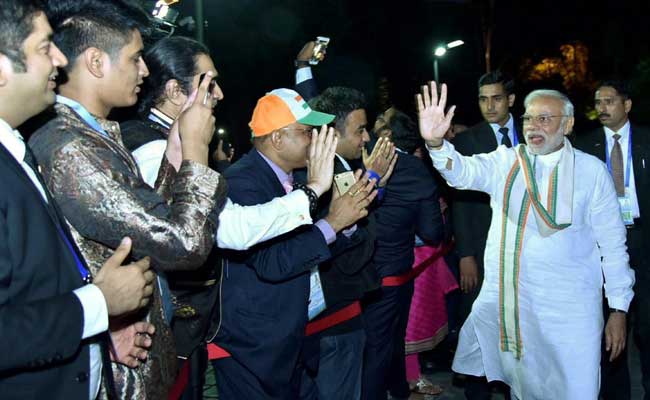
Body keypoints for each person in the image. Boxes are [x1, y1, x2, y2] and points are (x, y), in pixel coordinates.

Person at [122, 35, 346, 399]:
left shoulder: (177, 140)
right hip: (163, 330)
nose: (220, 95)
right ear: (177, 91)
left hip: (185, 328)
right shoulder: (151, 150)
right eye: (210, 83)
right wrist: (314, 193)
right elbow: (232, 229)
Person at [29, 1, 227, 398]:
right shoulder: (71, 146)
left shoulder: (94, 133)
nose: (145, 70)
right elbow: (183, 246)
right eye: (136, 58)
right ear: (97, 62)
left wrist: (173, 161)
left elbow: (148, 227)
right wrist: (195, 153)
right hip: (117, 379)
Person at [418, 82, 635, 399]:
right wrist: (437, 144)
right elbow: (462, 172)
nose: (534, 126)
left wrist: (618, 309)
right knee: (526, 389)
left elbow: (614, 247)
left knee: (579, 389)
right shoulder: (507, 162)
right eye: (528, 119)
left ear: (568, 124)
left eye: (545, 119)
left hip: (574, 314)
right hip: (521, 309)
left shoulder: (592, 172)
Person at [0, 1, 155, 398]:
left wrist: (99, 332)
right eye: (44, 47)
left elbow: (31, 291)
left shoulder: (15, 151)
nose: (59, 59)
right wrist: (98, 304)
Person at [212, 88, 377, 400]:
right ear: (277, 139)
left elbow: (311, 249)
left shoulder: (297, 178)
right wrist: (333, 223)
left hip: (291, 341)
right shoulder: (241, 183)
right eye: (306, 132)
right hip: (255, 350)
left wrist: (347, 225)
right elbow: (272, 262)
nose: (314, 140)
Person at [295, 87, 396, 400]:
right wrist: (372, 183)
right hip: (336, 319)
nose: (366, 139)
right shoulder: (334, 175)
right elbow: (351, 257)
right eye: (360, 130)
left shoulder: (317, 169)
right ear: (333, 134)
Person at [359, 107, 444, 400]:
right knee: (393, 339)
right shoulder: (420, 171)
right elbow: (433, 232)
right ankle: (398, 390)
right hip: (399, 271)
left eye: (379, 121)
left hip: (364, 271)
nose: (371, 126)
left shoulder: (361, 161)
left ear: (387, 135)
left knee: (376, 347)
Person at [574, 79, 650, 400]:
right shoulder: (583, 145)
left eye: (608, 101)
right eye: (597, 101)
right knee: (611, 325)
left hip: (643, 240)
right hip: (601, 245)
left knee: (646, 327)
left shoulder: (647, 139)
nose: (601, 107)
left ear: (627, 105)